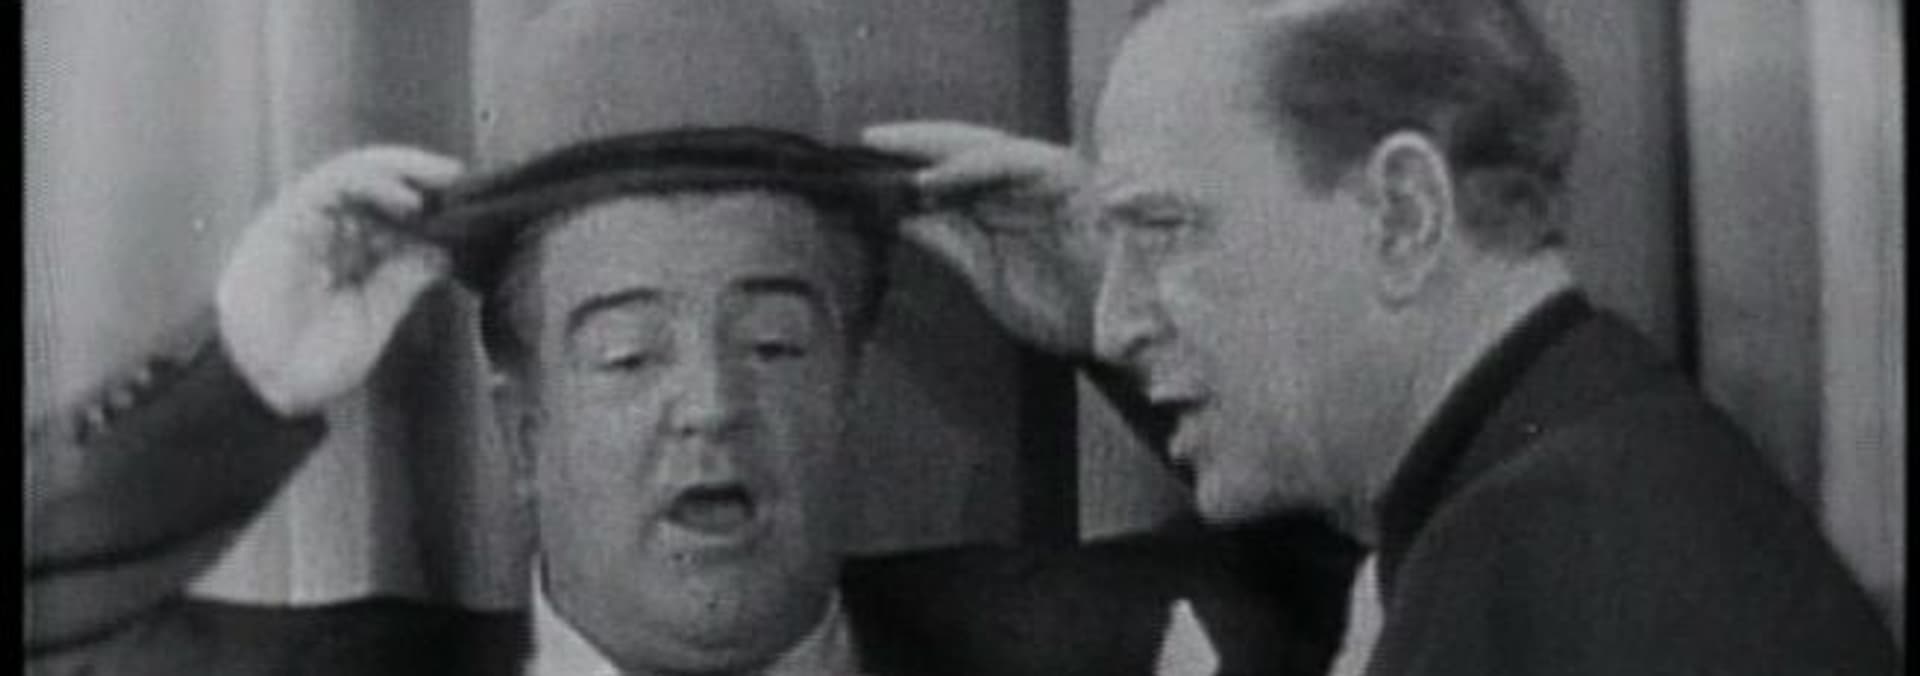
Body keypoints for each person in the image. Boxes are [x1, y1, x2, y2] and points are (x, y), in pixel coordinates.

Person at [26, 1, 1360, 674]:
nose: (712, 402)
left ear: (847, 381)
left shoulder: (1079, 649)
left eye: (774, 342)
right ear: (522, 427)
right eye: (625, 353)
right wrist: (242, 381)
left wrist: (1131, 321)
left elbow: (1406, 572)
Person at [864, 0, 1902, 673]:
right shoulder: (1593, 454)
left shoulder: (1529, 556)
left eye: (1166, 226)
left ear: (1405, 214)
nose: (1113, 317)